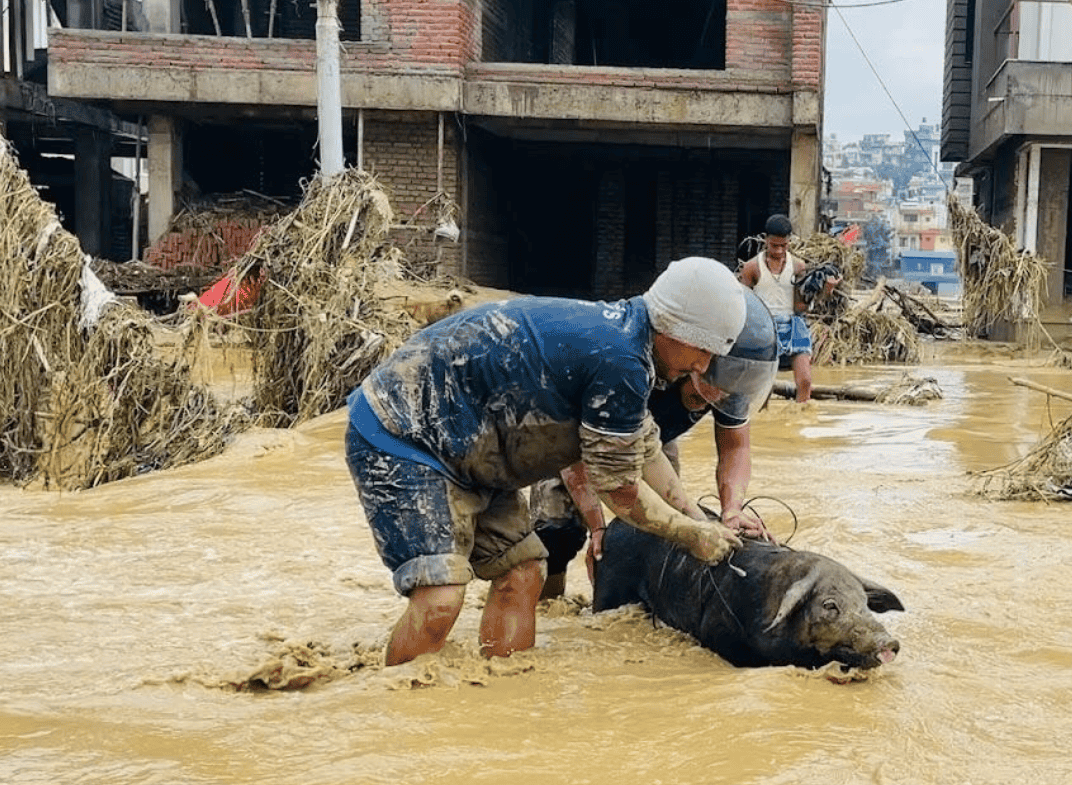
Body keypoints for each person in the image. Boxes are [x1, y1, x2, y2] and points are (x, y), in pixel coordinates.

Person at [345, 257, 748, 665]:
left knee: (523, 573)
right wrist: (690, 536)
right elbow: (620, 489)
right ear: (674, 327)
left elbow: (646, 449)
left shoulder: (632, 349)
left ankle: (501, 689)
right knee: (440, 597)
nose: (702, 367)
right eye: (703, 350)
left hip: (470, 453)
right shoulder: (621, 358)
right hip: (404, 434)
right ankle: (401, 697)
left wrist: (699, 519)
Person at [535, 291, 778, 599]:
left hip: (655, 440)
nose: (719, 397)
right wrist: (598, 528)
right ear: (698, 358)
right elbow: (576, 456)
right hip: (575, 435)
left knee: (666, 529)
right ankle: (547, 604)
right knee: (557, 533)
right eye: (711, 388)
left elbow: (735, 448)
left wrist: (731, 509)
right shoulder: (635, 365)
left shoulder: (731, 381)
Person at [738, 213, 836, 404]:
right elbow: (743, 304)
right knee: (763, 386)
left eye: (784, 245)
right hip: (763, 327)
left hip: (793, 323)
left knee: (805, 382)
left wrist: (826, 291)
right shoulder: (752, 268)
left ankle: (800, 415)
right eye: (774, 245)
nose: (779, 250)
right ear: (765, 240)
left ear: (789, 241)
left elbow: (800, 306)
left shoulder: (798, 266)